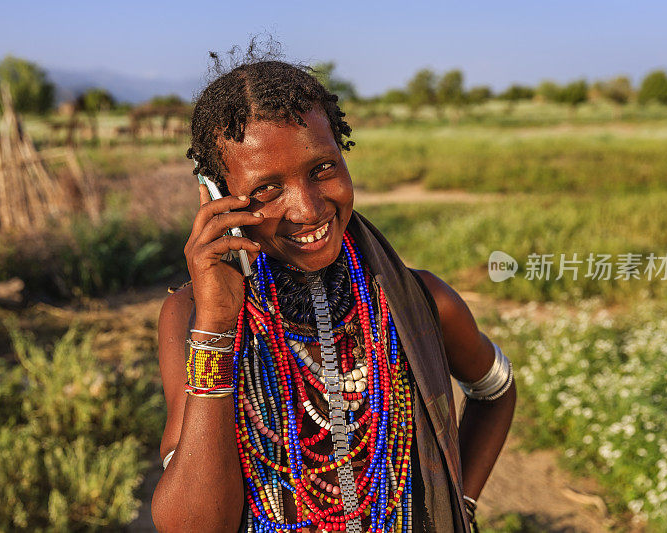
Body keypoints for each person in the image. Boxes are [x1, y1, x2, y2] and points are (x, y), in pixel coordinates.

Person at [152, 59, 515, 533]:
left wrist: (459, 506)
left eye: (322, 168)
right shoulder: (192, 318)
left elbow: (496, 390)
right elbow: (191, 526)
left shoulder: (418, 302)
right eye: (266, 189)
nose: (308, 208)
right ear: (218, 195)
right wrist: (218, 326)